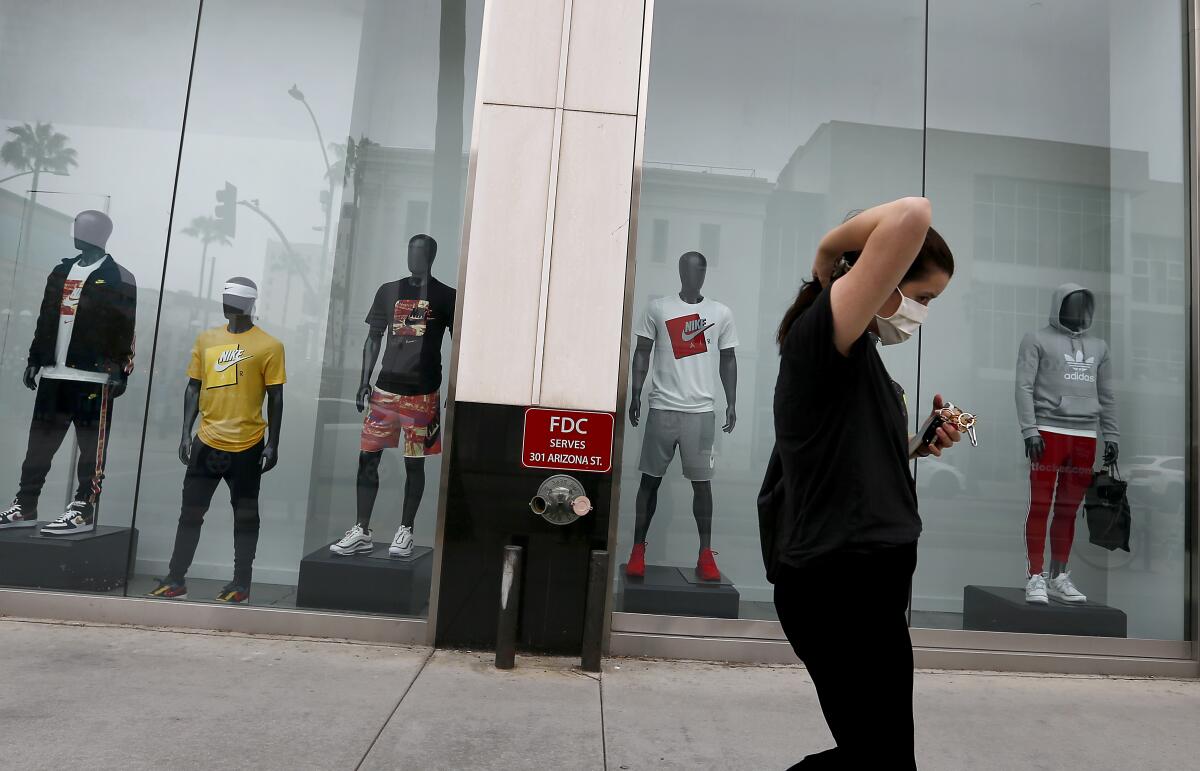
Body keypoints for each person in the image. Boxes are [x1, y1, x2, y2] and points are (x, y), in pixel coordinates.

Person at [759, 197, 958, 768]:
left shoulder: (859, 353)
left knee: (879, 756)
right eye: (921, 298)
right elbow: (912, 214)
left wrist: (918, 444)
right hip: (837, 584)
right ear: (883, 279)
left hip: (869, 579)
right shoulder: (824, 338)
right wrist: (828, 251)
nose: (920, 313)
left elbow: (846, 454)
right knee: (882, 761)